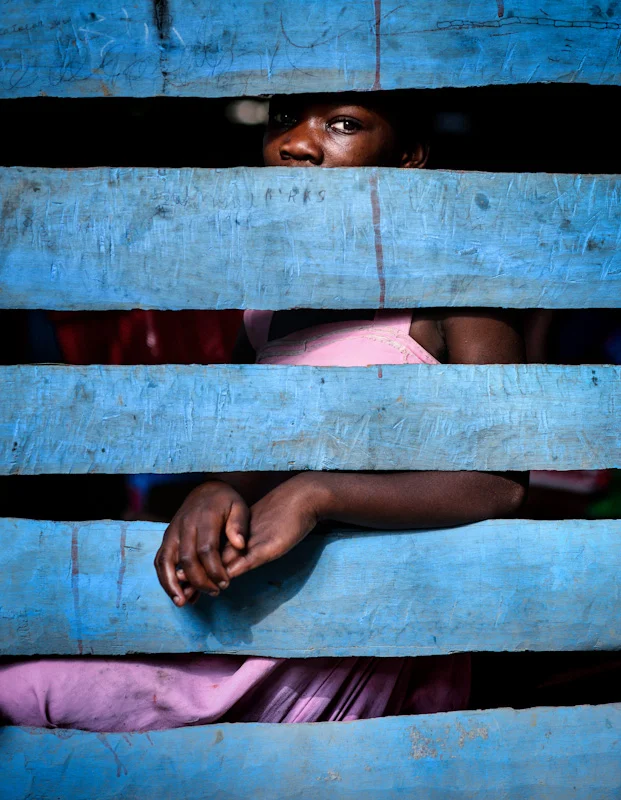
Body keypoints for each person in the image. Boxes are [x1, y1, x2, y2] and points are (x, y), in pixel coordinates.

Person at [0, 92, 526, 731]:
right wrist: (220, 485)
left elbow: (499, 484)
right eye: (285, 119)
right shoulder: (264, 308)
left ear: (409, 155)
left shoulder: (454, 291)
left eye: (342, 125)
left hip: (367, 640)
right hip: (258, 621)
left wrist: (318, 493)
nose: (296, 144)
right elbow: (255, 454)